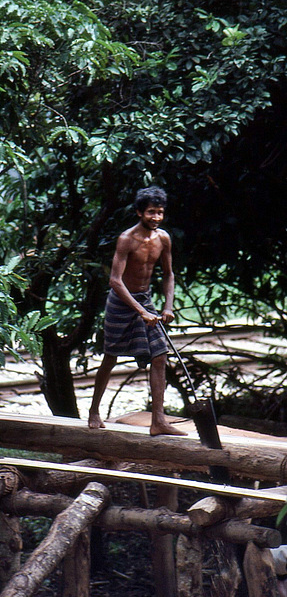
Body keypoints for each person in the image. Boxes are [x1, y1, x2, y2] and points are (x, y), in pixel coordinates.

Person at [88, 186, 186, 436]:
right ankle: (94, 411)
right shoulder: (126, 239)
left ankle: (158, 421)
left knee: (160, 356)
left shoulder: (163, 238)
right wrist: (141, 311)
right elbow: (115, 281)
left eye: (160, 213)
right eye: (151, 212)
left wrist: (167, 306)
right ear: (139, 212)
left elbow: (168, 274)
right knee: (110, 357)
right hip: (121, 303)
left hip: (145, 300)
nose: (156, 218)